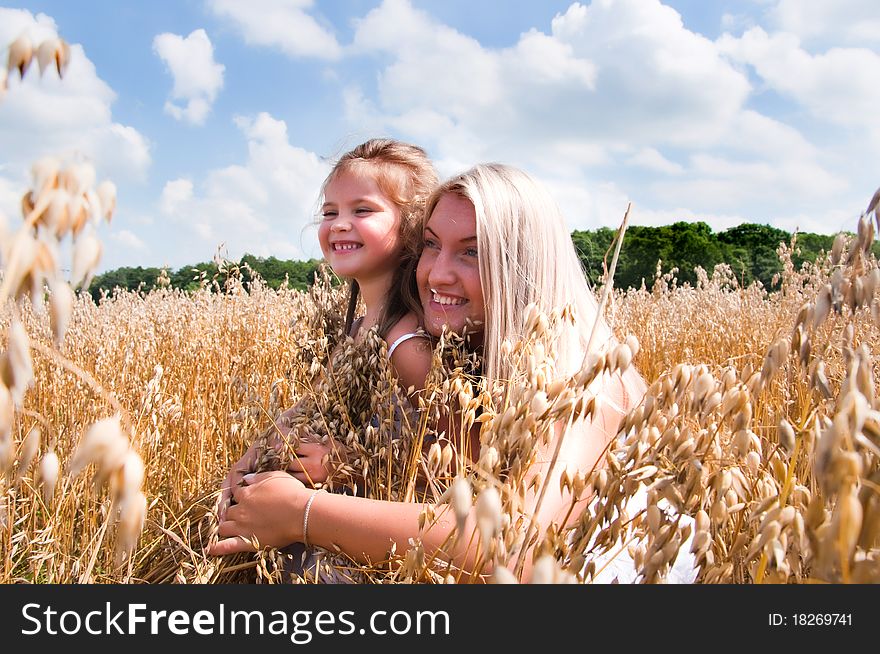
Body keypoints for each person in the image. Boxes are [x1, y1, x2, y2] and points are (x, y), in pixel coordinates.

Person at [209, 163, 651, 582]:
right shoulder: (467, 356)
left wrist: (302, 513)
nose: (437, 274)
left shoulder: (587, 380)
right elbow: (455, 479)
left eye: (472, 253)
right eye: (432, 245)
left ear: (523, 269)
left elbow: (513, 547)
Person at [218, 138, 438, 511]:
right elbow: (307, 406)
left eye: (363, 210)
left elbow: (454, 465)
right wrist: (249, 458)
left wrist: (346, 464)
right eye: (330, 212)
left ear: (414, 225)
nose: (339, 225)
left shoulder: (406, 343)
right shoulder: (358, 329)